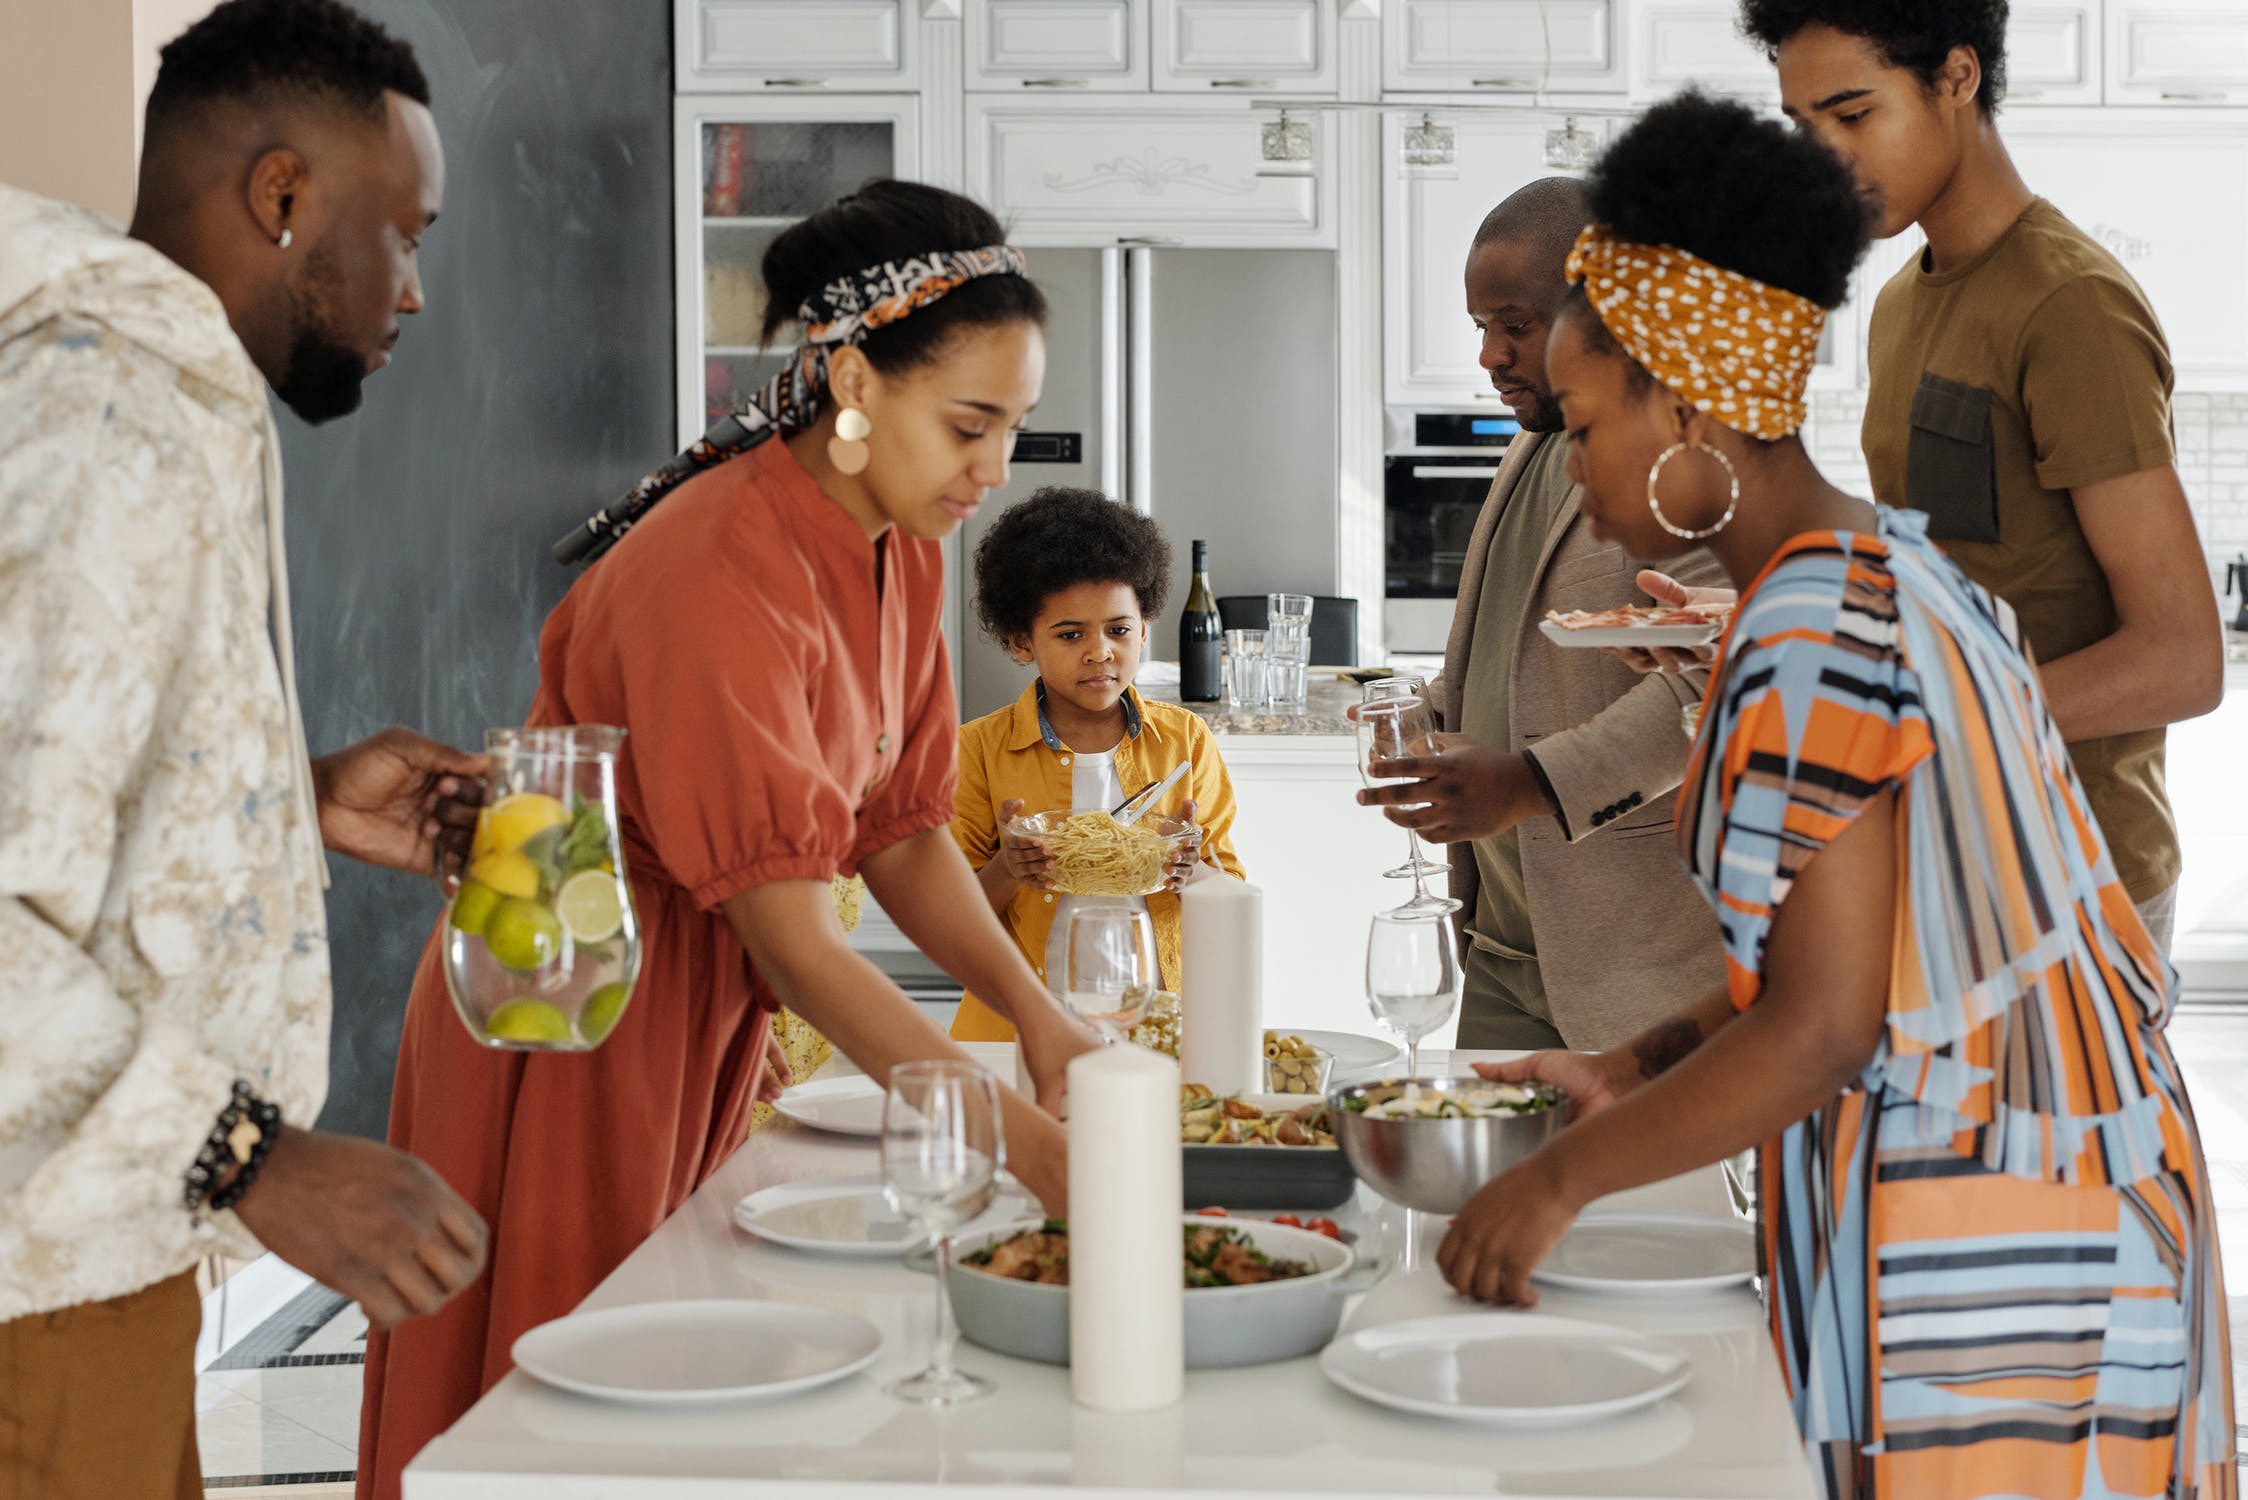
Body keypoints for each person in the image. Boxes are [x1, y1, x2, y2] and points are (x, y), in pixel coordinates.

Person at [1444, 93, 2234, 1499]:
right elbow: (1861, 948)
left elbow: (1819, 1030)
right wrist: (1635, 1065)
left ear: (1686, 409)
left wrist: (1553, 1182)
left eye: (1581, 422)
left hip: (1990, 1250)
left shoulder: (1803, 634)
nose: (1573, 466)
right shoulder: (1893, 568)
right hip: (2078, 1195)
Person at [357, 181, 1102, 1500]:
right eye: (970, 426)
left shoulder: (896, 546)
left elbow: (902, 829)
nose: (996, 471)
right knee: (570, 1402)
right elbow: (797, 943)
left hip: (687, 1000)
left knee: (673, 1383)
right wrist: (1010, 1141)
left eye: (1015, 428)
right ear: (858, 383)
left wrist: (1033, 1012)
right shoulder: (718, 565)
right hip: (578, 1005)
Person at [0, 4, 492, 1496]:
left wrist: (288, 795)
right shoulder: (104, 420)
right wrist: (250, 1158)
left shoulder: (145, 398)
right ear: (283, 196)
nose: (413, 292)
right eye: (404, 235)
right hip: (33, 1303)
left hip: (96, 1261)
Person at [1737, 0, 2225, 954]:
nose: (1822, 160)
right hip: (1947, 847)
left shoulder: (2069, 304)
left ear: (1957, 78)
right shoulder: (1897, 304)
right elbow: (1949, 572)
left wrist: (1920, 710)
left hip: (2074, 877)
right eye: (1803, 127)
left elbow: (2182, 659)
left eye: (1852, 113)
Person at [1356, 177, 1727, 1050]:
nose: (1488, 355)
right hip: (1502, 948)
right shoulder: (1536, 442)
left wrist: (1525, 784)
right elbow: (1510, 650)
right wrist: (1425, 719)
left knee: (1648, 1195)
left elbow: (1722, 677)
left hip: (1638, 966)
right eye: (1481, 326)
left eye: (1515, 326)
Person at [949, 486, 1244, 1040]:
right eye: (1069, 634)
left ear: (1145, 629)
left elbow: (1229, 888)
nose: (1100, 651)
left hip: (1157, 1023)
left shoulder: (1185, 739)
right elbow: (951, 918)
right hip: (1020, 1028)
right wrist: (1008, 869)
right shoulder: (978, 750)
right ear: (1021, 642)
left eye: (1118, 629)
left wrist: (1191, 872)